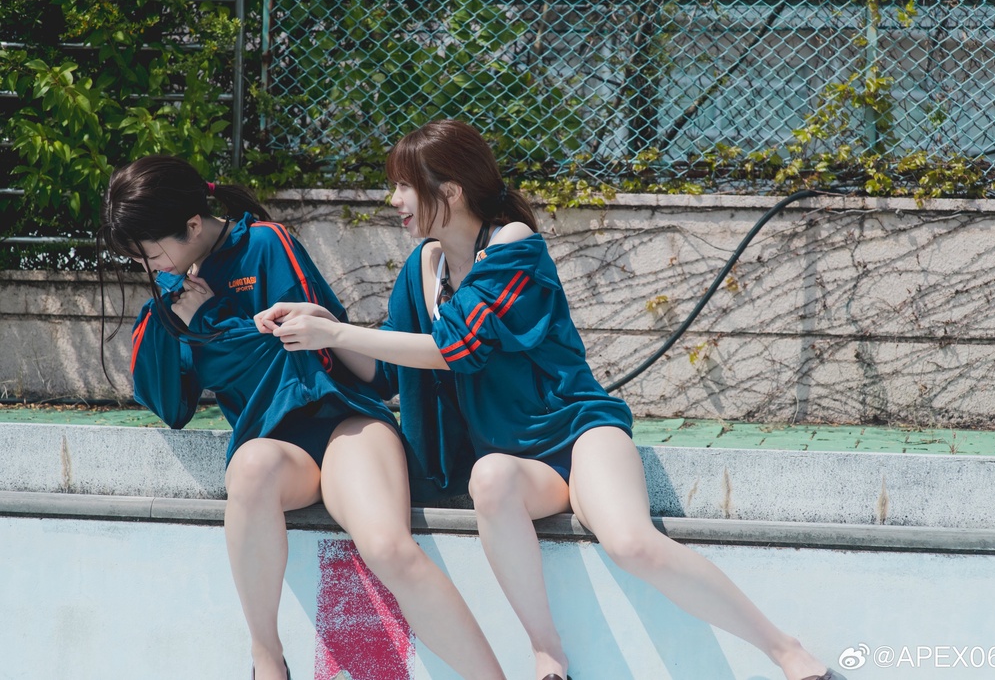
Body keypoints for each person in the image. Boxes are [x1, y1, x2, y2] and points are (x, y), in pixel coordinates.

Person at [255, 120, 846, 680]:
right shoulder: (423, 268)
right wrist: (320, 324)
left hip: (578, 431)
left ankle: (786, 651)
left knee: (630, 543)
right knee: (489, 479)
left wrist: (338, 334)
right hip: (515, 459)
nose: (394, 200)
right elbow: (387, 368)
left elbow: (457, 347)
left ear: (450, 191)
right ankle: (547, 653)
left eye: (404, 186)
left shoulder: (513, 244)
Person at [97, 155, 505, 680]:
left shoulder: (265, 243)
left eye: (152, 255)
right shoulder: (175, 290)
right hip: (275, 444)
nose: (151, 269)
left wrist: (208, 323)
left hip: (343, 422)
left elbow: (300, 345)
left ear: (193, 225)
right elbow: (170, 404)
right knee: (249, 470)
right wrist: (168, 315)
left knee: (387, 547)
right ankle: (267, 659)